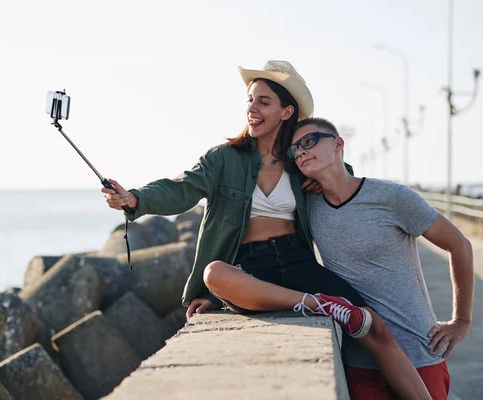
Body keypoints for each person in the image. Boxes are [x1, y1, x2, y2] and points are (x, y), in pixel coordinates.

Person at [103, 60, 431, 399]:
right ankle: (317, 305)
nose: (252, 108)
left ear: (286, 111)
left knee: (375, 327)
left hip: (298, 262)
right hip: (252, 266)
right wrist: (135, 199)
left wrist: (325, 180)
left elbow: (341, 172)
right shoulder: (224, 158)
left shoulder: (301, 161)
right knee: (214, 274)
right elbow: (181, 188)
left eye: (263, 101)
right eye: (249, 100)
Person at [288, 117, 474, 399]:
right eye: (294, 149)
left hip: (419, 353)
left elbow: (460, 245)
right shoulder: (308, 207)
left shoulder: (391, 196)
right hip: (360, 360)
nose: (301, 151)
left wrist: (462, 320)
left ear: (338, 144)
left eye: (310, 141)